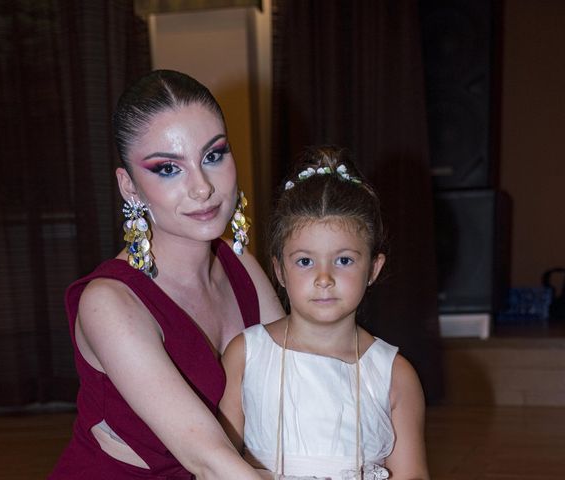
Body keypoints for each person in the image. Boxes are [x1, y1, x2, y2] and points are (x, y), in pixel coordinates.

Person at [49, 69, 285, 479]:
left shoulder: (240, 263)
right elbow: (208, 459)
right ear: (130, 187)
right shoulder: (109, 302)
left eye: (213, 156)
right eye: (168, 168)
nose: (202, 188)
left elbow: (292, 390)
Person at [219, 146, 430, 480]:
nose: (324, 278)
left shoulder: (395, 374)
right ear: (280, 270)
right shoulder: (246, 355)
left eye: (344, 260)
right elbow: (217, 463)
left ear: (373, 268)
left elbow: (412, 474)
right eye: (305, 261)